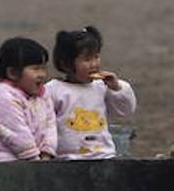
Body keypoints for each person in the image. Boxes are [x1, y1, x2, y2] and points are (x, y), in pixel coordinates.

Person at [46, 26, 137, 159]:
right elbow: (42, 121)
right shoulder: (53, 90)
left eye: (96, 57)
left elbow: (125, 110)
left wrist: (117, 88)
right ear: (66, 64)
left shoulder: (101, 87)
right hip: (67, 158)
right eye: (87, 59)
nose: (94, 64)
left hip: (104, 155)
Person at [0, 37, 57, 162]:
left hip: (30, 162)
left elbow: (49, 124)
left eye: (43, 68)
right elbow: (17, 136)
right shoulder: (3, 98)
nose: (42, 74)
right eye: (36, 69)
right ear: (12, 73)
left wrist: (47, 152)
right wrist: (37, 163)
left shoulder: (42, 95)